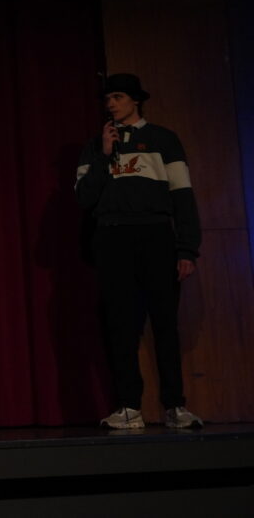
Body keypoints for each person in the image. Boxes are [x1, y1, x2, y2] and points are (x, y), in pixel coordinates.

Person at [75, 73, 203, 429]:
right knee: (120, 326)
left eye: (117, 97)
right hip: (112, 238)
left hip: (156, 236)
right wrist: (104, 155)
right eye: (107, 99)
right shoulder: (95, 145)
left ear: (136, 100)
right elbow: (84, 197)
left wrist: (187, 249)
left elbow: (182, 195)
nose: (111, 104)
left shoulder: (163, 139)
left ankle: (175, 406)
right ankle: (129, 407)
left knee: (165, 324)